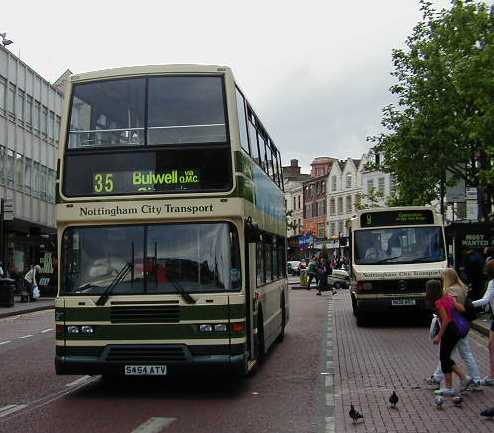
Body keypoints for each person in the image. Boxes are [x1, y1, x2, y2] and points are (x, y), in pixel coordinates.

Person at [426, 269, 481, 390]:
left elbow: (446, 319)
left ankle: (456, 383)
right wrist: (453, 305)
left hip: (450, 330)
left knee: (446, 357)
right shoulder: (454, 293)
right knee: (447, 357)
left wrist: (438, 336)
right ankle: (451, 381)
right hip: (458, 327)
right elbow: (462, 309)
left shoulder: (443, 298)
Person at [472, 260, 494, 386]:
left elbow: (486, 300)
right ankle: (492, 376)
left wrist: (469, 304)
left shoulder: (492, 282)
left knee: (491, 347)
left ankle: (492, 377)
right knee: (491, 346)